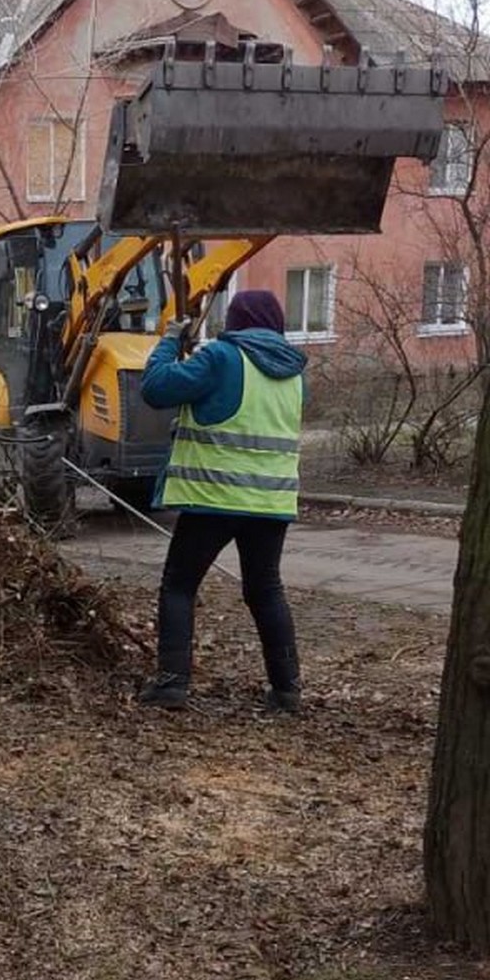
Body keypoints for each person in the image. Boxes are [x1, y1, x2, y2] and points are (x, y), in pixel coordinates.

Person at [137, 289, 306, 713]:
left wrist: (171, 340)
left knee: (179, 585)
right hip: (271, 504)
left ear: (234, 322)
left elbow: (156, 389)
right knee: (265, 589)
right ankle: (287, 691)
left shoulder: (222, 358)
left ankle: (172, 684)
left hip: (214, 497)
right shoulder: (294, 372)